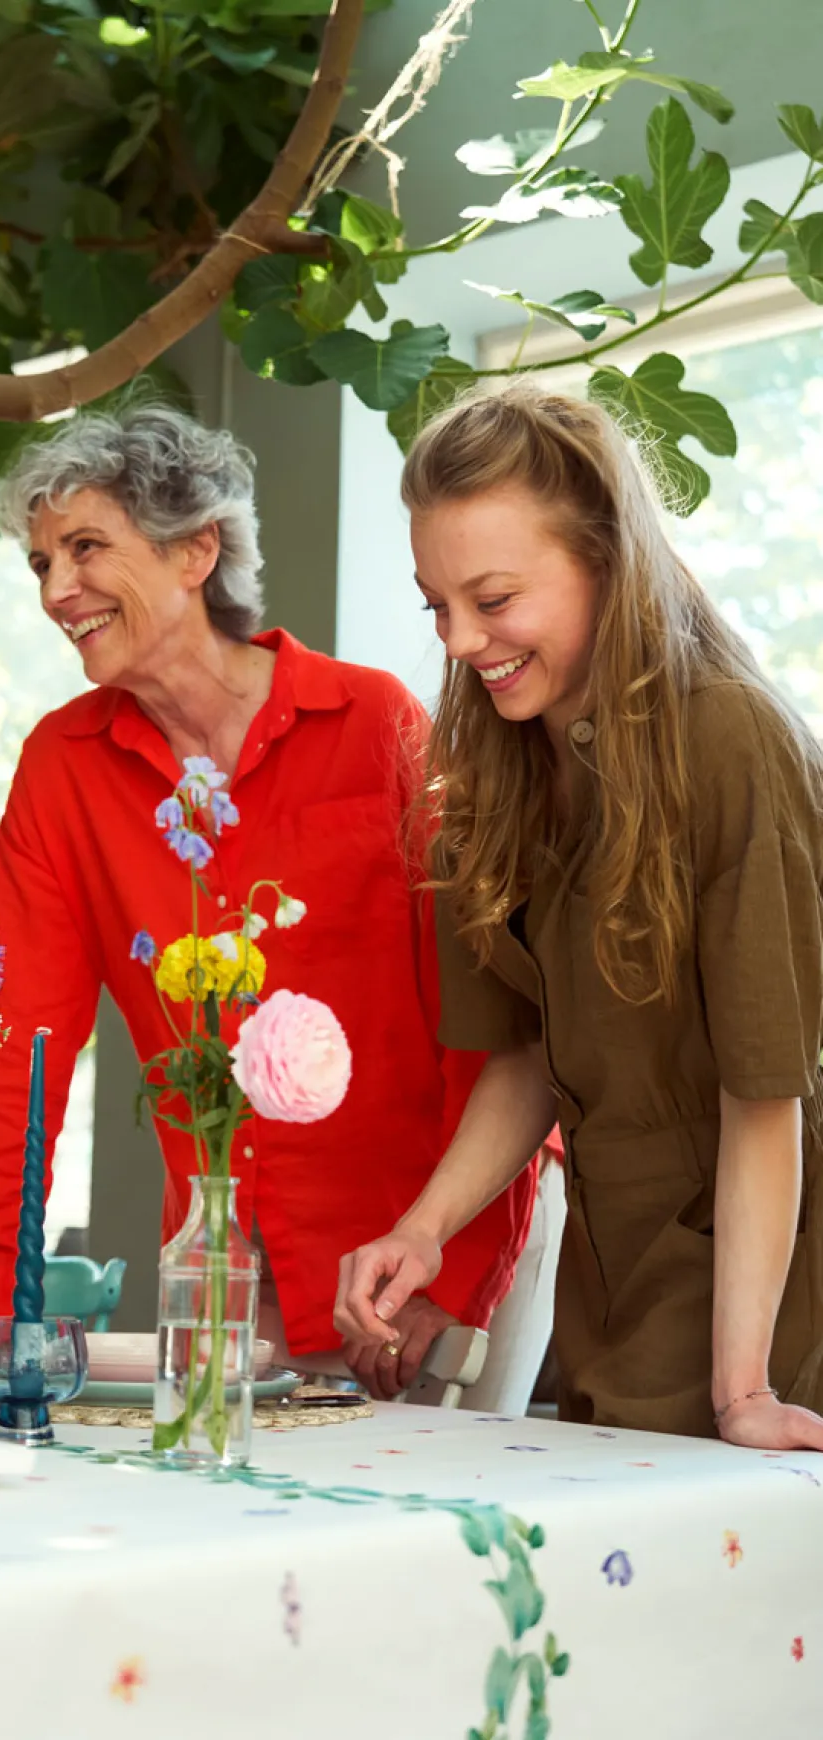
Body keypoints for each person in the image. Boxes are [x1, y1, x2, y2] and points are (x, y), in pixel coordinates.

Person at [0, 402, 538, 1393]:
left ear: (195, 550)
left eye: (85, 548)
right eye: (40, 563)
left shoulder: (372, 721)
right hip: (229, 1277)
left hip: (425, 1263)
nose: (55, 590)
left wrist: (452, 1269)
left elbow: (484, 1018)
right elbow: (12, 1053)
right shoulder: (62, 768)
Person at [334, 381, 823, 1448]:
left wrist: (741, 1389)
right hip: (608, 1292)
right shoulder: (487, 775)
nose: (460, 640)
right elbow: (522, 1059)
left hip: (773, 1295)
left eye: (493, 599)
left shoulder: (730, 741)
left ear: (605, 559)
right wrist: (421, 1230)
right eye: (435, 605)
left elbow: (764, 1091)